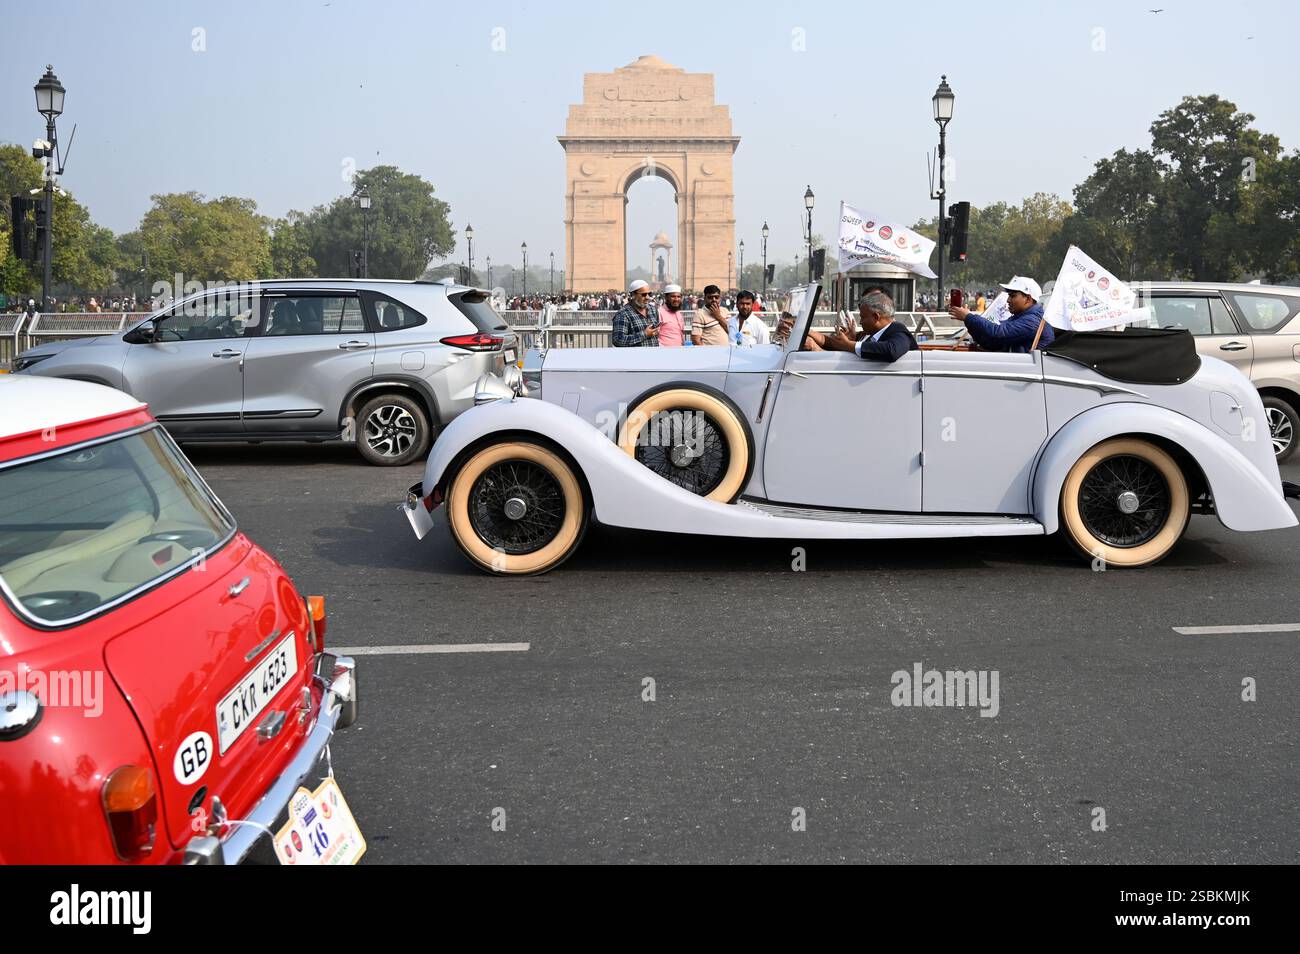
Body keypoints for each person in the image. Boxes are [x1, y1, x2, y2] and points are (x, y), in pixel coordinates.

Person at [782, 290, 917, 361]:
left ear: (876, 317)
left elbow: (891, 351)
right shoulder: (867, 335)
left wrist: (849, 345)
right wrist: (805, 330)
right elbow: (833, 344)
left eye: (863, 317)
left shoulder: (898, 331)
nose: (860, 322)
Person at [948, 276, 1053, 353]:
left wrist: (968, 317)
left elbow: (998, 333)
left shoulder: (1033, 321)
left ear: (1028, 299)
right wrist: (968, 321)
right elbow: (991, 342)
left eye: (1013, 296)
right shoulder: (1020, 317)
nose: (1008, 300)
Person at [612, 279, 658, 347]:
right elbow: (618, 340)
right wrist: (644, 334)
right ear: (633, 295)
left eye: (649, 294)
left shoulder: (653, 309)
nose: (648, 297)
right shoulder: (623, 314)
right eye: (644, 294)